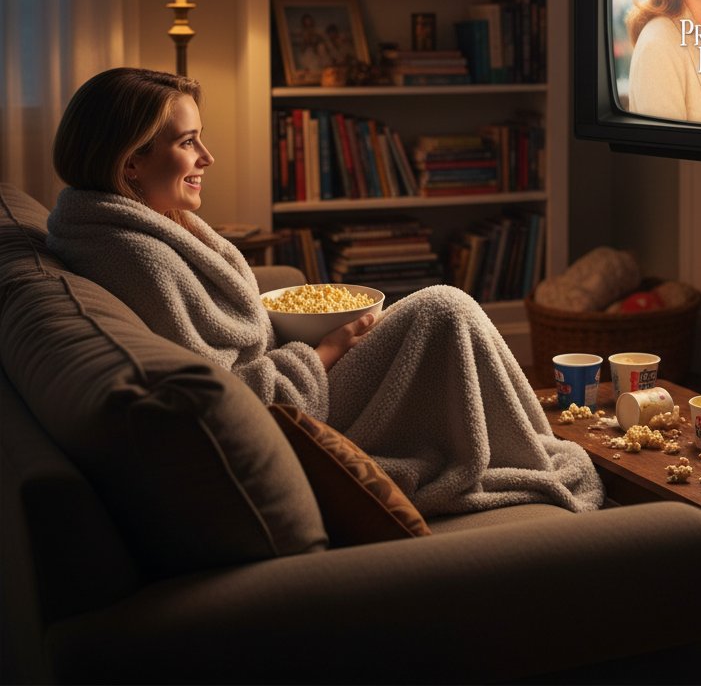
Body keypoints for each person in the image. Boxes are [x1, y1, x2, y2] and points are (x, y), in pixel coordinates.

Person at [46, 68, 603, 517]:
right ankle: (535, 454)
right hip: (294, 422)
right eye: (188, 143)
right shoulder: (135, 260)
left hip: (295, 384)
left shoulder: (128, 227)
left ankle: (528, 443)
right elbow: (228, 400)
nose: (206, 158)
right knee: (444, 309)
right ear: (131, 163)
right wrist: (329, 349)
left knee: (439, 314)